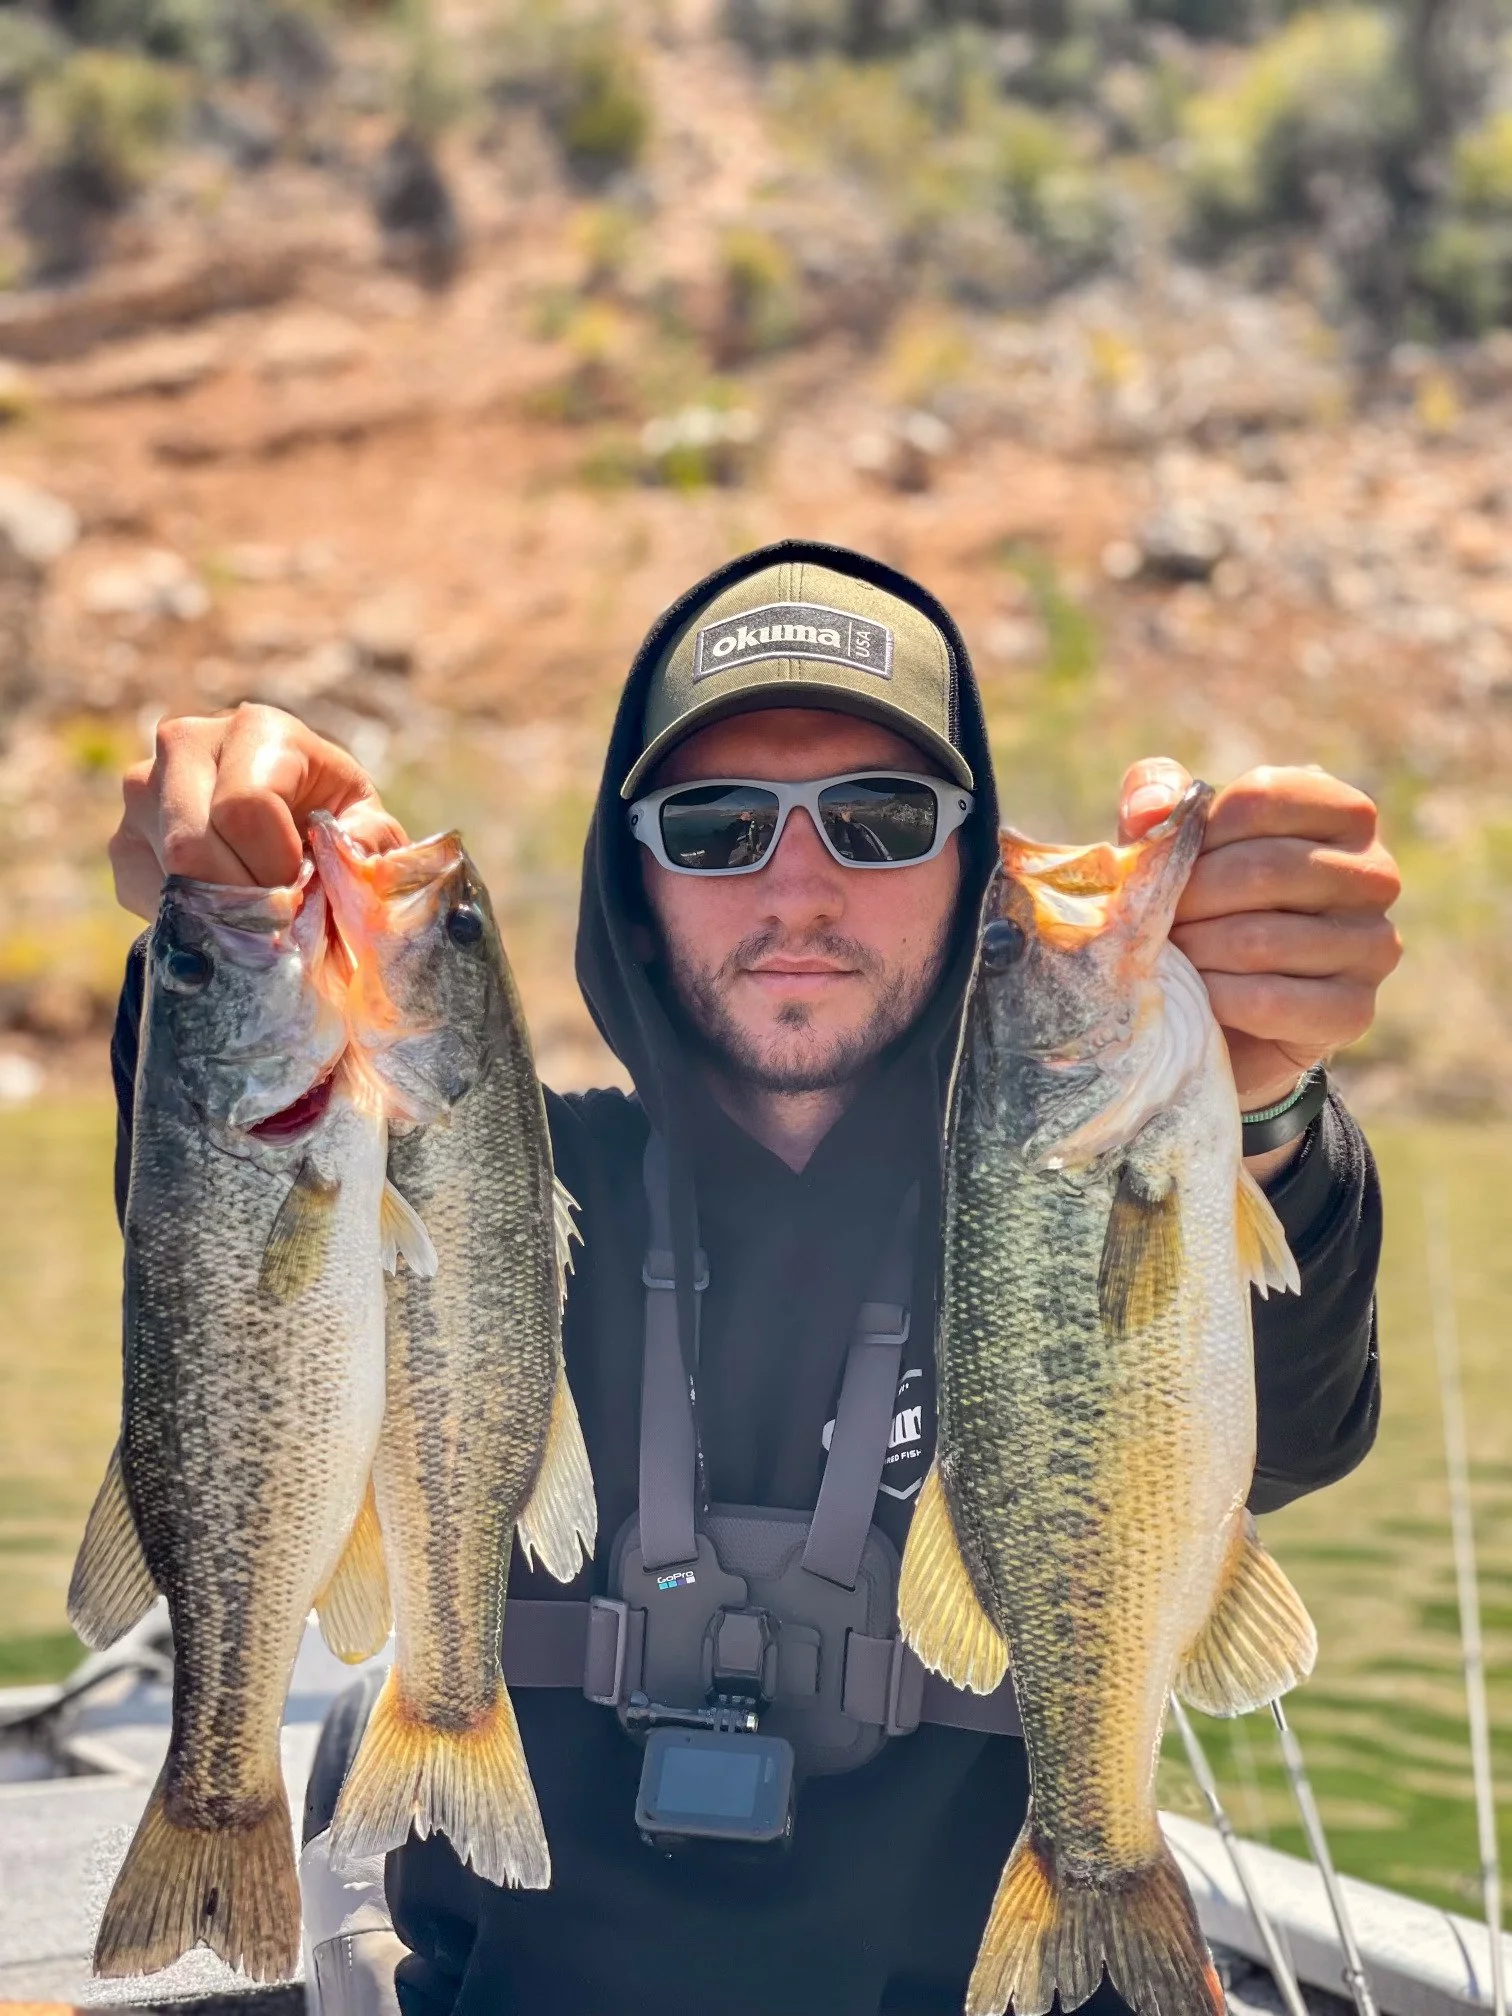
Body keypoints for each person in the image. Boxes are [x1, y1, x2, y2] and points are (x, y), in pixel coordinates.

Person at [106, 541, 1401, 2016]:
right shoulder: (502, 1192)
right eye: (716, 825)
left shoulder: (1040, 1193)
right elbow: (232, 1272)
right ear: (631, 878)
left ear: (971, 862)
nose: (798, 883)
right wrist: (214, 936)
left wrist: (1269, 1114)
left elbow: (1292, 1422)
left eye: (879, 816)